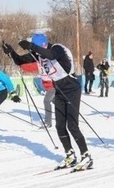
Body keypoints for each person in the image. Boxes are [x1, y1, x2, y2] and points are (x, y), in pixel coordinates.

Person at [16, 33, 93, 170]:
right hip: (59, 90)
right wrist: (11, 52)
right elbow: (20, 61)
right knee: (60, 126)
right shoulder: (39, 54)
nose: (37, 51)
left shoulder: (57, 48)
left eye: (39, 47)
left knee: (72, 125)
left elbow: (51, 55)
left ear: (45, 44)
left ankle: (86, 156)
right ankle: (70, 154)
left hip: (72, 88)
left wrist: (31, 46)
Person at [2, 40, 55, 128]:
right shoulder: (38, 60)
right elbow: (22, 63)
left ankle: (48, 122)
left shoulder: (53, 55)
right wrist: (11, 53)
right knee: (57, 102)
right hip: (48, 86)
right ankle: (68, 115)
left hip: (55, 85)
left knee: (47, 101)